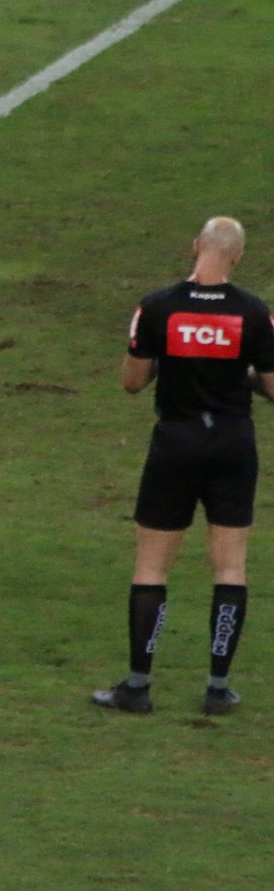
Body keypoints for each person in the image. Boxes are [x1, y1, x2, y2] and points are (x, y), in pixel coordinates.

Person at [94, 217, 274, 717]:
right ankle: (218, 688)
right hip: (235, 445)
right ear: (237, 256)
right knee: (230, 567)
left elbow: (132, 382)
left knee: (152, 565)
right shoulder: (255, 313)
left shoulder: (158, 307)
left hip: (176, 442)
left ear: (196, 246)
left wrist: (169, 361)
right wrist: (245, 375)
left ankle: (137, 685)